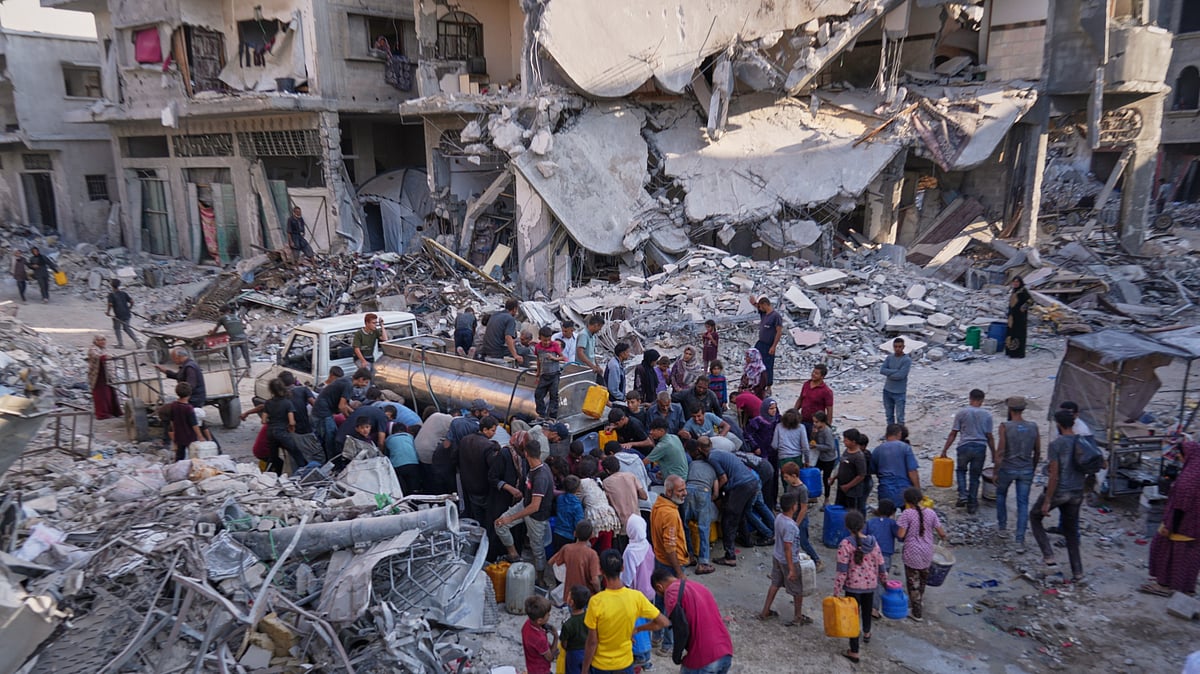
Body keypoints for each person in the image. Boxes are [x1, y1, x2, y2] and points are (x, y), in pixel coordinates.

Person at [581, 549, 669, 674]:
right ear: (622, 568)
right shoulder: (636, 597)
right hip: (625, 663)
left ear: (601, 571)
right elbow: (663, 622)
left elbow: (592, 642)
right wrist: (638, 629)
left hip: (601, 665)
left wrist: (584, 670)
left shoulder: (596, 602)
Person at [1030, 410, 1087, 581]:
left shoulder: (1057, 444)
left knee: (1034, 517)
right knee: (1071, 531)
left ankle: (1050, 560)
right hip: (1077, 492)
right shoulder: (1082, 441)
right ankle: (1078, 572)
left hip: (1060, 491)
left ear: (1058, 425)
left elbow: (1054, 475)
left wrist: (1047, 499)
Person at [496, 435, 555, 586]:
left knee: (538, 550)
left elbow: (535, 506)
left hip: (536, 516)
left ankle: (540, 580)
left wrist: (512, 518)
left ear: (526, 454)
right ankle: (514, 556)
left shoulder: (541, 476)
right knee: (499, 525)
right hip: (525, 504)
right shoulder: (536, 468)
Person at [1144, 440, 1200, 596]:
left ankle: (1165, 584)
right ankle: (1185, 587)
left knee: (1165, 550)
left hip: (1182, 524)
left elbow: (1181, 506)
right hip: (1195, 525)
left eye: (1180, 455)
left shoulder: (1189, 478)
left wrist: (1170, 527)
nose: (1179, 458)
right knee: (1189, 557)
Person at [653, 568, 734, 674]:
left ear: (659, 587)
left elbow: (681, 629)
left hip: (703, 658)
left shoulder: (671, 593)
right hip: (725, 651)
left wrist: (676, 655)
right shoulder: (697, 586)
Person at [833, 509, 888, 664]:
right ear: (863, 525)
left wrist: (836, 591)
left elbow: (841, 571)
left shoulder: (845, 545)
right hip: (871, 585)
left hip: (852, 587)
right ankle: (867, 633)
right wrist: (884, 581)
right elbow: (881, 564)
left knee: (852, 618)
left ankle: (854, 650)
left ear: (847, 527)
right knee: (867, 609)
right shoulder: (873, 542)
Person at [692, 437, 758, 567]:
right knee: (740, 515)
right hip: (752, 482)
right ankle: (746, 540)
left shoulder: (712, 457)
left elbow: (723, 478)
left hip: (741, 486)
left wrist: (715, 493)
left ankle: (730, 556)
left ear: (699, 449)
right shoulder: (718, 452)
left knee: (728, 520)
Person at [994, 396, 1040, 548]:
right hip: (1026, 469)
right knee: (1023, 503)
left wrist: (995, 471)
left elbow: (1000, 452)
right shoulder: (1033, 426)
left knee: (1001, 495)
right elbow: (1037, 451)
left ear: (1009, 409)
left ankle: (1002, 528)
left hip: (1008, 468)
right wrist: (1032, 468)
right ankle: (1019, 539)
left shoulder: (1005, 426)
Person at [896, 487, 948, 622]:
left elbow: (900, 534)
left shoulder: (907, 514)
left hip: (912, 552)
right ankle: (919, 600)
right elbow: (942, 533)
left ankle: (916, 613)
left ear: (907, 501)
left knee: (913, 582)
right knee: (923, 579)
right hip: (927, 552)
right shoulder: (931, 513)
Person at [758, 493, 811, 626]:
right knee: (797, 589)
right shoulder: (791, 526)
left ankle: (765, 611)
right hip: (789, 561)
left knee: (775, 583)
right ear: (794, 507)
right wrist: (792, 569)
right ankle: (798, 617)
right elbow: (788, 547)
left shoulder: (779, 518)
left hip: (777, 556)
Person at [940, 388, 995, 514]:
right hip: (980, 448)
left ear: (970, 398)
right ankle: (972, 504)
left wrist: (945, 450)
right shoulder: (987, 415)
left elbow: (953, 433)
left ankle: (963, 495)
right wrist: (994, 453)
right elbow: (990, 436)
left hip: (964, 447)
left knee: (961, 471)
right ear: (982, 401)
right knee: (975, 476)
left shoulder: (961, 413)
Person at [241, 378, 302, 474]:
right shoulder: (287, 403)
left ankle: (271, 477)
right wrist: (291, 427)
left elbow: (263, 420)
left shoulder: (268, 403)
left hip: (270, 433)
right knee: (297, 454)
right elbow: (291, 422)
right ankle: (305, 473)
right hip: (282, 432)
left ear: (271, 390)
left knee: (273, 459)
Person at [312, 367, 369, 461]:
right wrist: (350, 419)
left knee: (325, 439)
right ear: (361, 379)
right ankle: (332, 463)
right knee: (331, 440)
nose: (365, 385)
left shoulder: (346, 380)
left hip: (320, 411)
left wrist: (354, 413)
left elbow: (345, 404)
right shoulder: (349, 386)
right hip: (323, 413)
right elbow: (341, 406)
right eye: (366, 382)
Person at [683, 441, 718, 575]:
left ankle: (689, 556)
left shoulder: (692, 464)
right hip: (704, 491)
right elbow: (715, 492)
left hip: (688, 489)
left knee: (685, 524)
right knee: (703, 527)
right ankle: (703, 563)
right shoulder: (713, 469)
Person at [779, 462, 822, 569]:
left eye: (786, 477)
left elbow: (803, 509)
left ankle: (817, 560)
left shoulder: (802, 489)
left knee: (803, 542)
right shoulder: (789, 486)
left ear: (794, 476)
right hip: (791, 519)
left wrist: (796, 524)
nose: (785, 479)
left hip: (800, 520)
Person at [458, 415, 501, 520]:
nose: (494, 433)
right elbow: (494, 468)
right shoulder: (488, 446)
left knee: (476, 515)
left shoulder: (465, 439)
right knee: (487, 517)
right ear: (485, 429)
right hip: (482, 488)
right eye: (492, 430)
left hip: (467, 486)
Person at [577, 458, 621, 552]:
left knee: (584, 550)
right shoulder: (598, 481)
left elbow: (577, 501)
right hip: (608, 519)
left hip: (594, 521)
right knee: (606, 549)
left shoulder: (581, 483)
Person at [651, 475, 690, 578]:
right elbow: (670, 547)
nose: (685, 493)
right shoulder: (670, 513)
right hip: (670, 565)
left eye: (684, 489)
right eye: (680, 491)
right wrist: (679, 572)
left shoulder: (658, 505)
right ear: (669, 492)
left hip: (660, 559)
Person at [866, 499, 900, 618]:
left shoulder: (870, 522)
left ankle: (867, 603)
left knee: (870, 578)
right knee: (880, 581)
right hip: (885, 555)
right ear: (892, 513)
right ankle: (874, 607)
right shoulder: (892, 524)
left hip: (870, 554)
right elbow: (900, 536)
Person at [873, 423, 921, 506]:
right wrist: (917, 490)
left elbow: (874, 470)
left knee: (887, 516)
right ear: (899, 434)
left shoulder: (877, 450)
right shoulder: (905, 448)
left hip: (885, 489)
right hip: (904, 489)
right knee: (908, 515)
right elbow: (912, 471)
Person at [550, 520, 603, 595]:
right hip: (585, 595)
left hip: (570, 594)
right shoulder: (592, 554)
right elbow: (595, 580)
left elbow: (551, 562)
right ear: (591, 535)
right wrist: (599, 591)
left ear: (574, 533)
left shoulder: (567, 548)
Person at [601, 456, 646, 542]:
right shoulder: (630, 476)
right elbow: (644, 496)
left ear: (607, 470)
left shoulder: (606, 483)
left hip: (622, 525)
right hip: (637, 521)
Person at [748, 295, 783, 392]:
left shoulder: (775, 316)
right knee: (755, 361)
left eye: (761, 306)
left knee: (768, 365)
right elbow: (757, 307)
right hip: (761, 343)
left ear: (765, 304)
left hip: (769, 345)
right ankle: (756, 381)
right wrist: (754, 303)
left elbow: (779, 331)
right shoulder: (764, 314)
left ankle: (768, 385)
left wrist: (773, 346)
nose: (760, 308)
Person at [831, 429, 869, 513]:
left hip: (852, 491)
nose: (844, 442)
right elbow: (842, 465)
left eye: (846, 440)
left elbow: (861, 475)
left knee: (850, 511)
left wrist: (848, 486)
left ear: (854, 442)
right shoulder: (847, 451)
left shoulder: (859, 457)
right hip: (841, 487)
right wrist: (834, 477)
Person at [532, 326, 566, 420]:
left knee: (553, 395)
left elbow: (563, 357)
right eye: (544, 340)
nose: (547, 342)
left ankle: (552, 416)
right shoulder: (537, 347)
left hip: (554, 375)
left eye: (548, 340)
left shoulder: (555, 345)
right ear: (539, 338)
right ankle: (541, 414)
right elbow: (538, 360)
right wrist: (538, 373)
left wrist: (554, 358)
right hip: (544, 375)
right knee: (538, 394)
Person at [621, 514, 655, 602]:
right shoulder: (647, 545)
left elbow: (627, 578)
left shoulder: (630, 552)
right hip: (650, 590)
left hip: (636, 595)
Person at [522, 595, 559, 674]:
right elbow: (550, 658)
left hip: (532, 667)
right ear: (539, 620)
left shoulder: (526, 624)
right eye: (548, 614)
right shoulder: (539, 639)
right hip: (541, 670)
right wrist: (556, 637)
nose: (549, 615)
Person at [87, 335, 122, 420]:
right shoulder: (92, 349)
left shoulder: (104, 349)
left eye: (103, 340)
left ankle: (113, 411)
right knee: (102, 395)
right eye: (100, 340)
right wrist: (104, 357)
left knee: (110, 393)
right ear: (96, 341)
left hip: (107, 375)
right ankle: (102, 414)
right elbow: (96, 356)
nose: (102, 342)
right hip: (98, 376)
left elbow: (109, 356)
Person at [165, 382, 201, 461]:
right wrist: (200, 436)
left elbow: (172, 421)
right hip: (190, 436)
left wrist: (174, 432)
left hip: (179, 435)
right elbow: (194, 424)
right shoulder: (189, 408)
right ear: (190, 394)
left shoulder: (174, 405)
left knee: (179, 455)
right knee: (193, 455)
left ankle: (177, 468)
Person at [794, 364, 833, 436]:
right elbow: (800, 399)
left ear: (822, 376)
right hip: (803, 420)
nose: (813, 374)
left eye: (816, 373)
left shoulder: (827, 391)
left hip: (816, 424)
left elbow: (829, 410)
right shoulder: (806, 384)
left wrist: (828, 426)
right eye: (813, 372)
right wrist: (794, 411)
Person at [560, 585, 592, 674]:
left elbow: (564, 644)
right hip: (588, 650)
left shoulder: (568, 624)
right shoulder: (589, 616)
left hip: (573, 653)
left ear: (571, 602)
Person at [880, 337, 912, 425]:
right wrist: (895, 371)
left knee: (900, 417)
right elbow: (882, 370)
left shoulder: (906, 360)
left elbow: (900, 376)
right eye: (895, 346)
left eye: (899, 347)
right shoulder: (889, 358)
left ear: (903, 347)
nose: (897, 349)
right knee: (889, 416)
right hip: (887, 391)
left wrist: (889, 373)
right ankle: (890, 435)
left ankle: (901, 436)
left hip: (899, 392)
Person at [811, 412, 838, 507]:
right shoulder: (817, 429)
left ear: (823, 422)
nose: (814, 423)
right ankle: (814, 495)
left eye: (816, 422)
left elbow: (830, 447)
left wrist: (816, 446)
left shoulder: (827, 431)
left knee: (826, 478)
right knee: (814, 474)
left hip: (828, 458)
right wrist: (814, 434)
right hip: (820, 456)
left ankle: (826, 498)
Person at [553, 476, 586, 551]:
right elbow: (578, 523)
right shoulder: (577, 506)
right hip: (569, 536)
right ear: (577, 489)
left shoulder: (560, 498)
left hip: (557, 532)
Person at [105, 279, 141, 349]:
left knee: (117, 328)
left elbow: (110, 304)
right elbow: (132, 301)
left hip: (118, 315)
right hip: (127, 314)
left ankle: (120, 344)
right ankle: (137, 341)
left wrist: (108, 312)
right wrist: (129, 308)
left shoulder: (111, 295)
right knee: (127, 328)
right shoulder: (124, 293)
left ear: (111, 286)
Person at [386, 424, 420, 493]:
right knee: (414, 486)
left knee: (401, 486)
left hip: (397, 465)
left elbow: (387, 454)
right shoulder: (410, 437)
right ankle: (415, 498)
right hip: (413, 463)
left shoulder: (388, 440)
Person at [1005, 276, 1033, 358]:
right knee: (1011, 333)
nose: (1015, 283)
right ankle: (1010, 351)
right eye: (1014, 282)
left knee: (1018, 334)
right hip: (1012, 317)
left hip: (1020, 318)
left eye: (1017, 282)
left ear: (1020, 283)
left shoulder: (1023, 291)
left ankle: (1018, 353)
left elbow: (1030, 301)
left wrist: (1023, 307)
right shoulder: (1014, 290)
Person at [576, 314, 605, 382]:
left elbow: (592, 353)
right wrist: (592, 366)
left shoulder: (593, 336)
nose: (600, 330)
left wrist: (597, 366)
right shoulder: (584, 335)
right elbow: (580, 353)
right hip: (583, 369)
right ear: (595, 325)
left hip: (591, 369)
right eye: (599, 327)